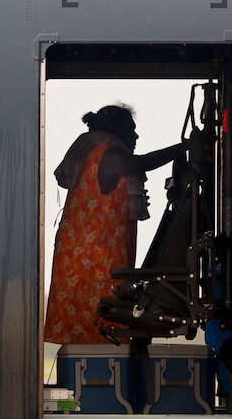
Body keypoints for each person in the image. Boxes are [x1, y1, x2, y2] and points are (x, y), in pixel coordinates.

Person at [45, 105, 186, 344]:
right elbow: (143, 163)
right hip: (95, 258)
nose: (135, 136)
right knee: (101, 318)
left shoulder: (95, 152)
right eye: (131, 129)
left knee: (90, 324)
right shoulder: (105, 153)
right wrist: (184, 147)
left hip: (92, 255)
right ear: (116, 128)